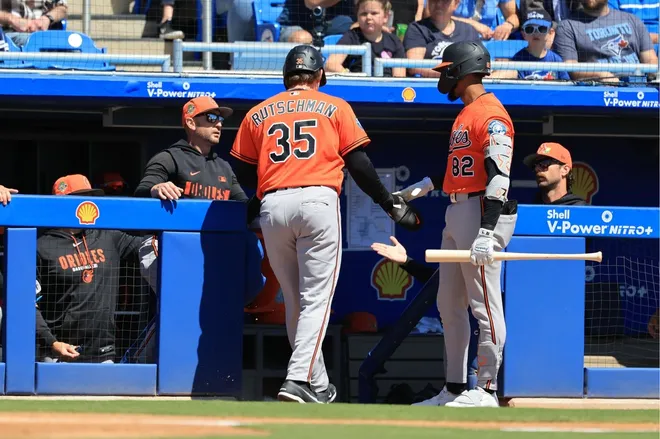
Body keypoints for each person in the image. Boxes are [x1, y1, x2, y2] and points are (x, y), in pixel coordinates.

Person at [230, 44, 421, 404]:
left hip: (272, 205)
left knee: (296, 303)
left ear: (285, 77)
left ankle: (316, 383)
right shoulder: (335, 105)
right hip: (317, 199)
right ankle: (298, 378)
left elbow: (241, 171)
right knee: (316, 299)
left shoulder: (258, 113)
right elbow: (360, 164)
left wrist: (257, 202)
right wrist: (386, 202)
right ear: (319, 76)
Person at [396, 41, 518, 407]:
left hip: (482, 209)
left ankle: (487, 388)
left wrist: (486, 230)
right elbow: (457, 167)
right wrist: (421, 188)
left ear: (461, 69)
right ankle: (453, 388)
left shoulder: (492, 113)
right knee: (449, 304)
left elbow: (500, 176)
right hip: (458, 207)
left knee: (484, 303)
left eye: (446, 68)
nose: (442, 75)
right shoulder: (467, 112)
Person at [37, 174, 158, 363]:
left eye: (89, 196)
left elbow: (145, 248)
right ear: (60, 203)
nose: (87, 202)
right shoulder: (41, 246)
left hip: (103, 353)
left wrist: (159, 242)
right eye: (80, 197)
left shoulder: (107, 235)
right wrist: (52, 343)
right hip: (57, 353)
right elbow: (27, 304)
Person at [370, 236, 480, 391]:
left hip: (483, 333)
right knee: (456, 379)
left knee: (473, 374)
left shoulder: (489, 260)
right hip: (459, 330)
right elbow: (438, 279)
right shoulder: (455, 270)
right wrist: (406, 262)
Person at [134, 96, 248, 202]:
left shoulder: (224, 167)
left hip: (217, 224)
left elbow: (244, 205)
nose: (219, 125)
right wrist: (156, 188)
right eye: (212, 118)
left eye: (220, 119)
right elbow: (142, 191)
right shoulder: (169, 158)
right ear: (191, 123)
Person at [553, 0, 658, 82]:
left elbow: (650, 59)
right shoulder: (567, 27)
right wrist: (600, 75)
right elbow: (571, 68)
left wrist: (653, 72)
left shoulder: (633, 20)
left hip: (638, 87)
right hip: (599, 90)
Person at [325, 0, 407, 77]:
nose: (368, 17)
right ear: (357, 16)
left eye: (374, 13)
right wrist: (351, 76)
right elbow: (331, 64)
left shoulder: (394, 42)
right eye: (363, 14)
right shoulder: (351, 37)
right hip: (357, 86)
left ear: (385, 17)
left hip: (386, 89)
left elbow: (399, 76)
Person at [403, 0, 481, 78]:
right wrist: (453, 73)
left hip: (464, 87)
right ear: (428, 2)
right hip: (432, 86)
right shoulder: (417, 29)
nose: (439, 4)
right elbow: (415, 66)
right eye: (435, 0)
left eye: (445, 1)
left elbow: (481, 65)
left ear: (456, 4)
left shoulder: (468, 31)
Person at [491, 10, 570, 80]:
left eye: (541, 28)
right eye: (530, 29)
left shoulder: (556, 60)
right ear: (523, 34)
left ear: (550, 33)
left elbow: (566, 87)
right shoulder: (519, 59)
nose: (535, 33)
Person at [523, 142, 587, 205]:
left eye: (544, 163)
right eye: (535, 165)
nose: (537, 169)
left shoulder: (582, 210)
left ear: (565, 170)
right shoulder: (530, 211)